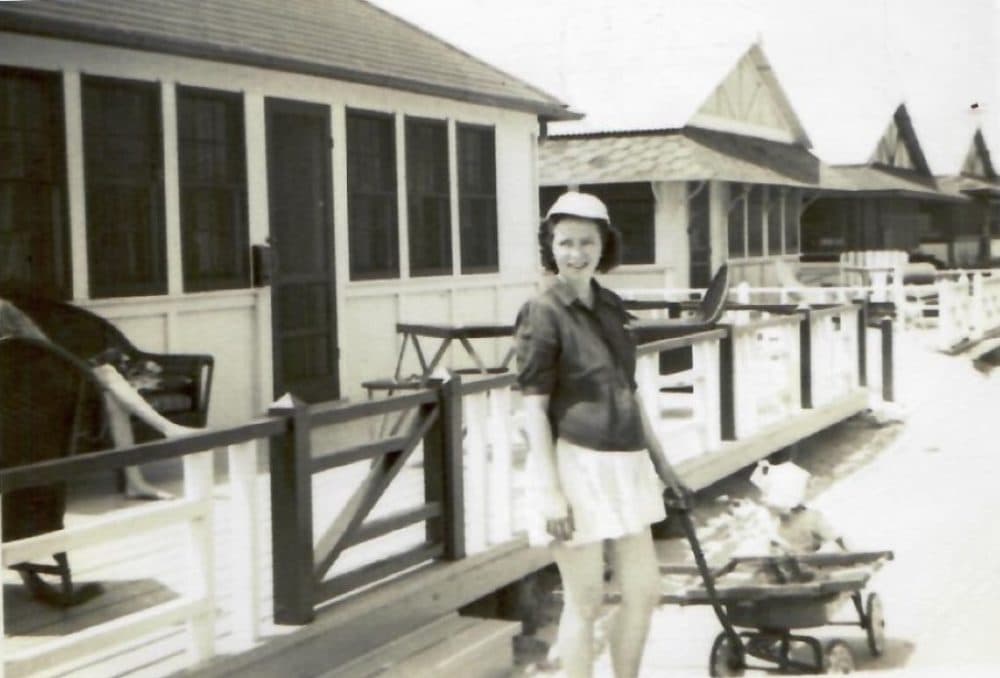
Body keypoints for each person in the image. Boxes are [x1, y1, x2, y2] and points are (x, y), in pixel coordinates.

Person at [515, 191, 691, 678]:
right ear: (550, 247)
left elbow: (628, 394)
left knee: (644, 591)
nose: (576, 253)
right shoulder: (543, 311)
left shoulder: (610, 306)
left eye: (587, 242)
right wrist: (551, 492)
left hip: (627, 464)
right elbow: (533, 406)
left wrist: (664, 468)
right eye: (565, 242)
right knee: (585, 598)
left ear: (604, 246)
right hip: (575, 464)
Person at [0, 297, 194, 499]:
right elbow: (47, 349)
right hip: (35, 390)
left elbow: (44, 349)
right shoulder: (4, 308)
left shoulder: (6, 310)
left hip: (30, 390)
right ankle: (165, 429)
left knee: (113, 400)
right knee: (107, 374)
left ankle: (135, 481)